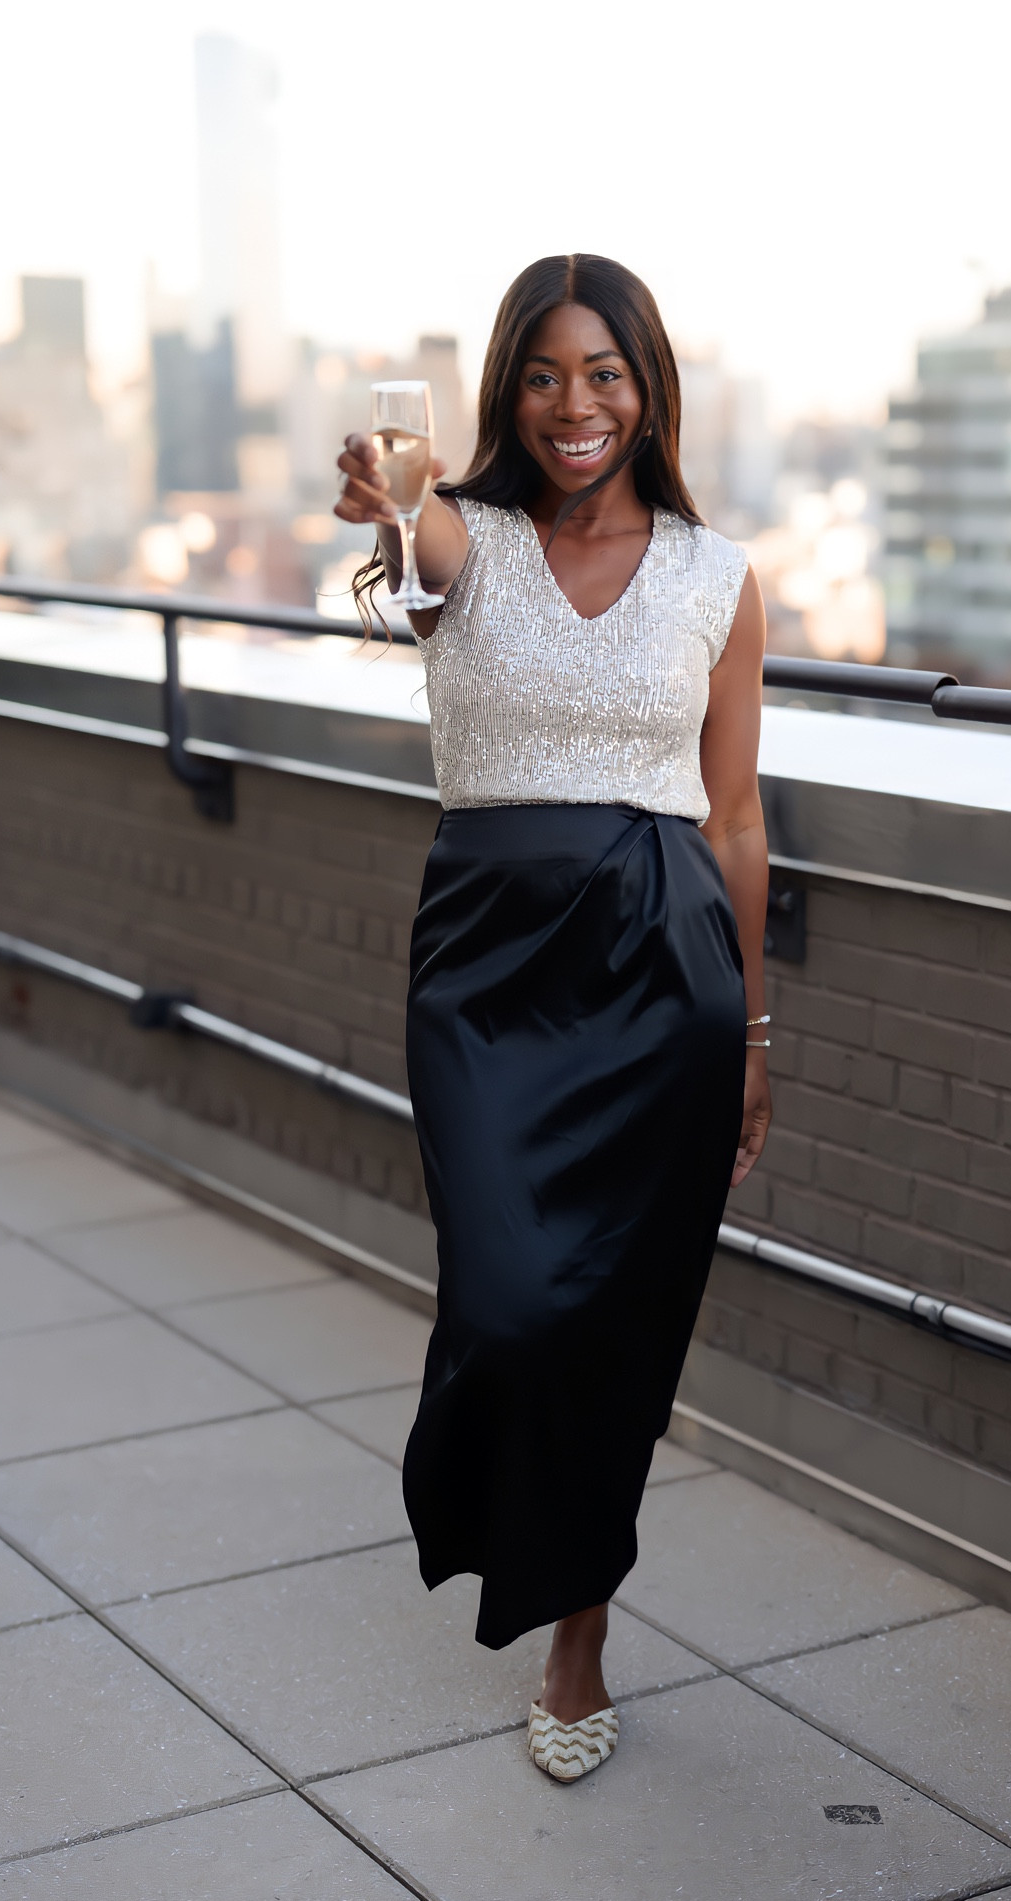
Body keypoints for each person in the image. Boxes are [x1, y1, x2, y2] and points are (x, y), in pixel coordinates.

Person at [334, 254, 771, 1782]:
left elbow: (733, 820)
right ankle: (482, 1507)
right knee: (512, 1302)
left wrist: (758, 1037)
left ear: (645, 388)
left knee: (619, 1324)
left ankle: (579, 1636)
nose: (575, 404)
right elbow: (414, 537)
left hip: (666, 973)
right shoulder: (469, 541)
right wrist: (388, 497)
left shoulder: (719, 575)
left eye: (604, 373)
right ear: (505, 391)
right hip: (488, 968)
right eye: (543, 374)